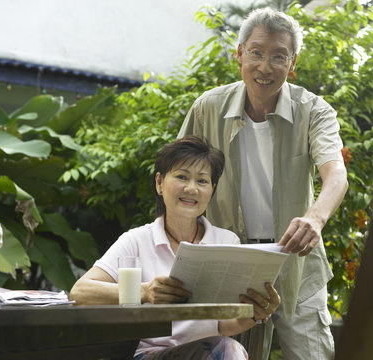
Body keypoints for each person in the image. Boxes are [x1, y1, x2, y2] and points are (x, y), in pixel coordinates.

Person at [178, 7, 348, 360]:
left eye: (278, 56)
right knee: (229, 353)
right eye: (256, 52)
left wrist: (314, 220)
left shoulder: (314, 111)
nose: (265, 66)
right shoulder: (207, 107)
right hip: (228, 264)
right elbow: (176, 182)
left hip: (296, 262)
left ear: (292, 62)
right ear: (239, 54)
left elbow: (336, 175)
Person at [69, 135, 281, 360]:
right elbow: (80, 292)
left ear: (212, 189)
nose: (192, 189)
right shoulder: (136, 240)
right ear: (159, 183)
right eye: (182, 177)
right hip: (147, 354)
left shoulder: (227, 242)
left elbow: (224, 325)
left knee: (229, 349)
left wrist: (255, 314)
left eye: (202, 181)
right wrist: (144, 291)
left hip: (206, 352)